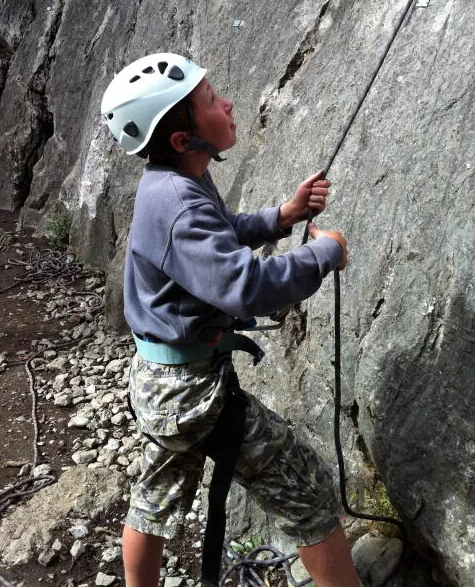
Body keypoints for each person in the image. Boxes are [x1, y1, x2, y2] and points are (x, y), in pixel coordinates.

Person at [101, 52, 360, 587]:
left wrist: (281, 218)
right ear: (183, 139)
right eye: (211, 102)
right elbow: (245, 287)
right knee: (306, 491)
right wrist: (323, 254)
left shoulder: (173, 181)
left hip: (163, 381)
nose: (228, 103)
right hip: (192, 393)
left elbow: (219, 232)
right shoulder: (179, 202)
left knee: (153, 498)